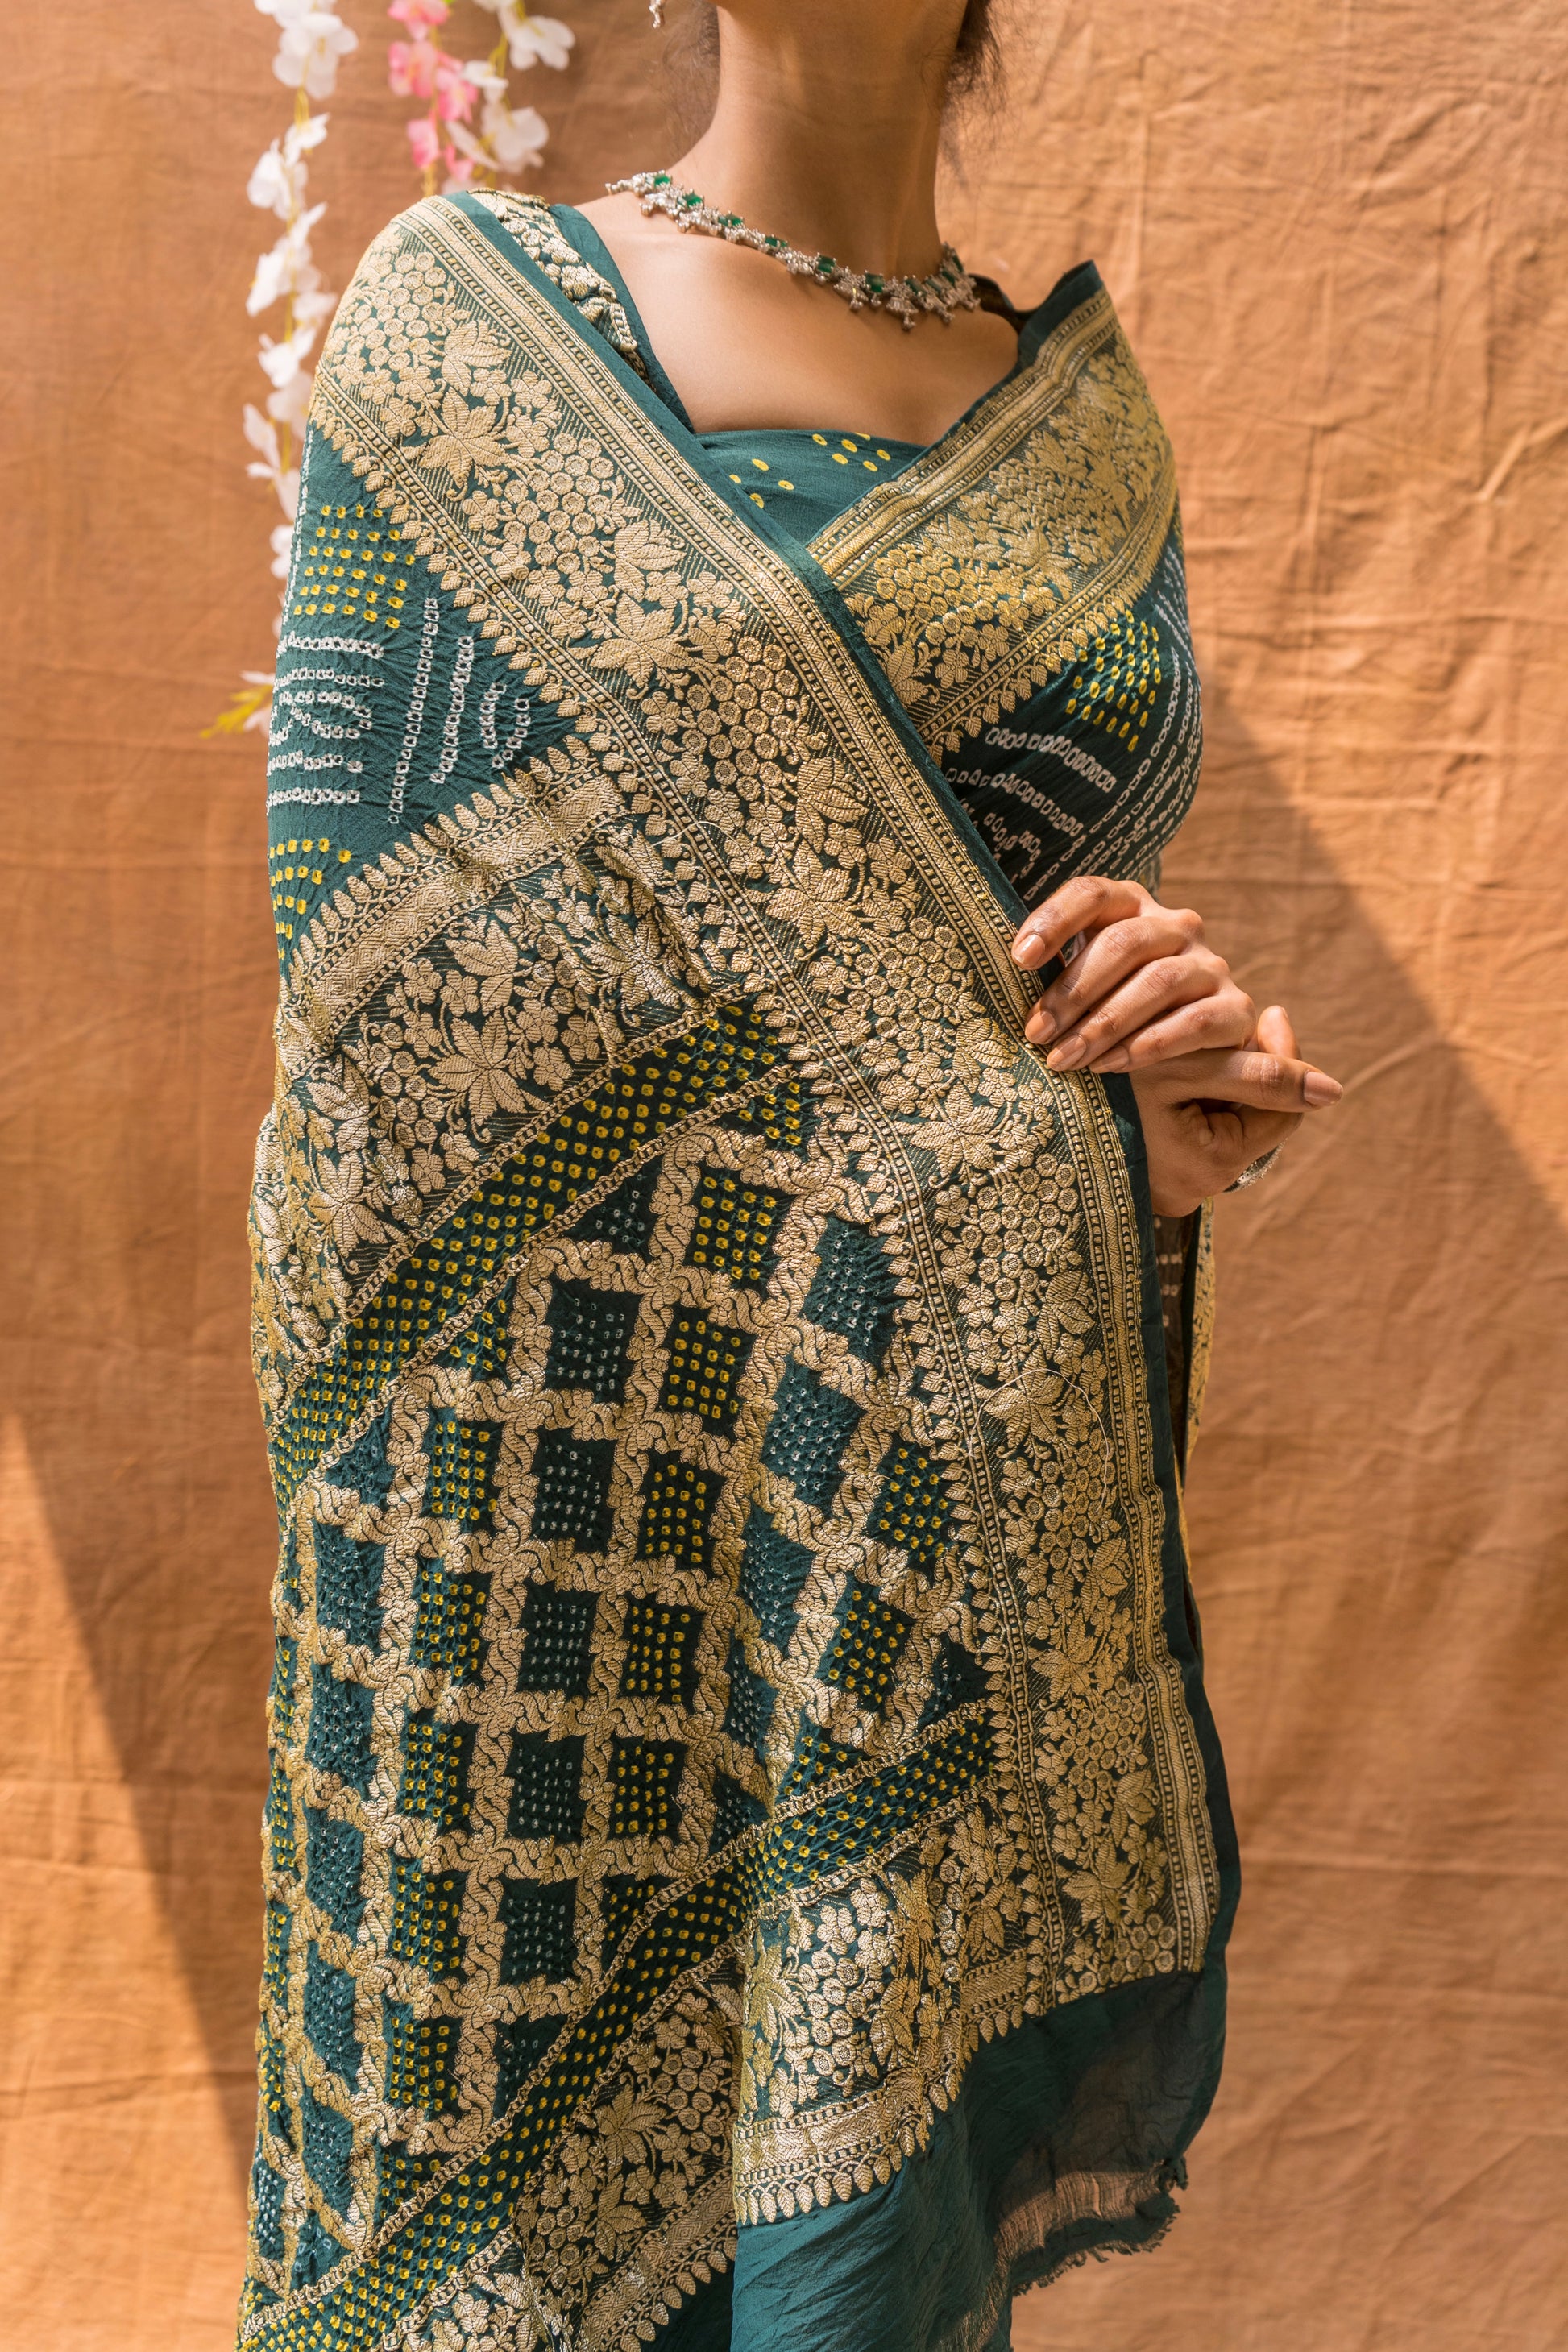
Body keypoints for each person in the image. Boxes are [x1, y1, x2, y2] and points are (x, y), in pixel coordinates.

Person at [242, 3, 1342, 2347]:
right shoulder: (461, 327)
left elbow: (983, 988)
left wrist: (1149, 1088)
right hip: (536, 1536)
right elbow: (382, 1050)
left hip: (903, 1557)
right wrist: (997, 1153)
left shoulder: (1083, 433)